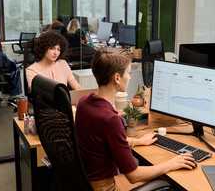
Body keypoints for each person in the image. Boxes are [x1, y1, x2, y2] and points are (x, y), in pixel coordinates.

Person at [75, 48, 196, 191]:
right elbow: (134, 176)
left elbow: (103, 143)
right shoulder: (110, 120)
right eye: (128, 73)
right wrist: (171, 164)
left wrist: (138, 141)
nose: (130, 77)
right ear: (117, 78)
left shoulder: (83, 103)